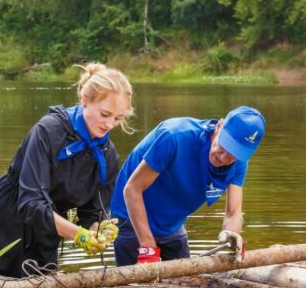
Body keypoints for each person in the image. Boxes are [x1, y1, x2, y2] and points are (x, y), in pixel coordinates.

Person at [0, 63, 133, 277]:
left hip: (43, 239)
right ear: (85, 100)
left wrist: (96, 230)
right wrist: (78, 235)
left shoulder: (107, 154)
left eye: (118, 118)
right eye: (105, 114)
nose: (110, 124)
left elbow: (93, 210)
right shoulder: (48, 131)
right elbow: (32, 203)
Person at [111, 105, 266, 266]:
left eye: (234, 154)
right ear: (219, 126)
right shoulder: (175, 136)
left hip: (171, 224)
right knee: (132, 286)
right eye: (225, 145)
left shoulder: (239, 162)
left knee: (183, 283)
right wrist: (148, 247)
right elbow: (132, 189)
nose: (224, 157)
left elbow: (233, 212)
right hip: (131, 217)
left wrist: (232, 235)